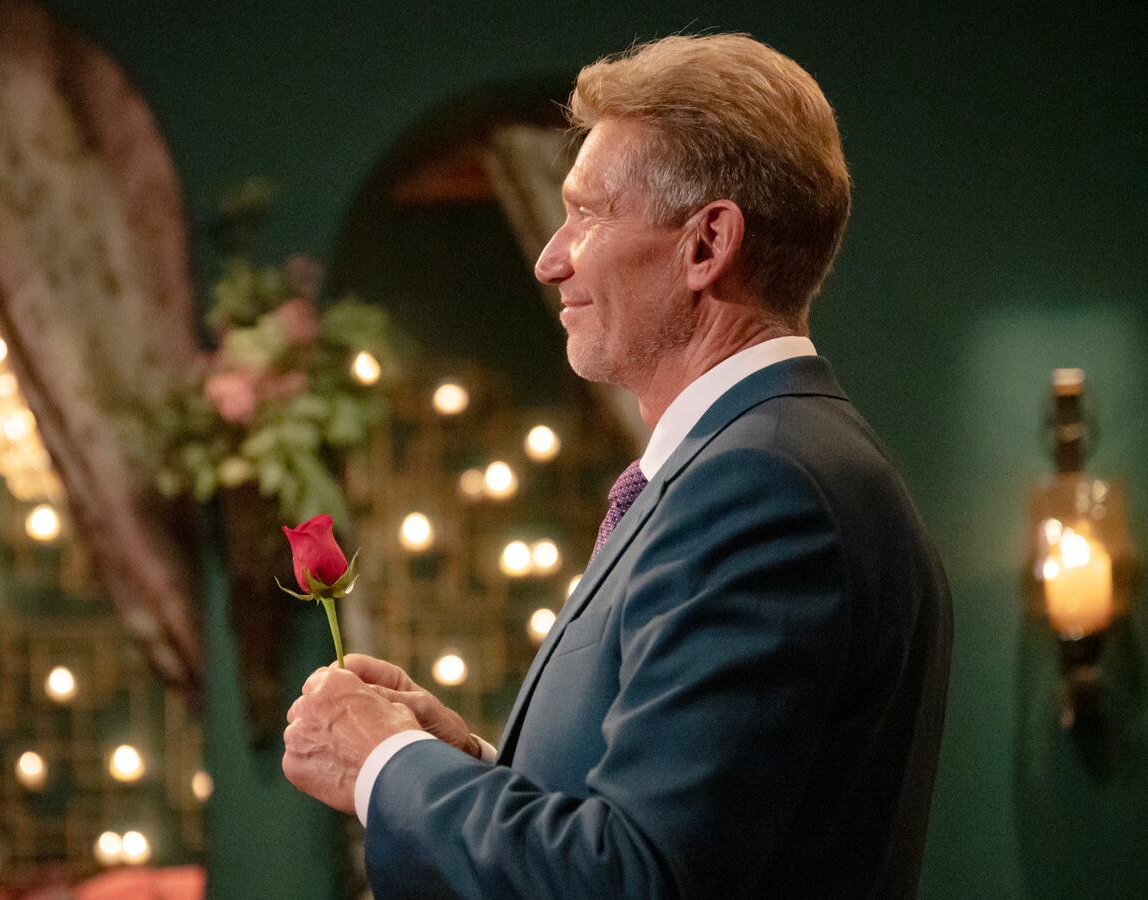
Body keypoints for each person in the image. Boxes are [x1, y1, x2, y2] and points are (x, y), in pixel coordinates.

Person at [282, 33, 953, 899]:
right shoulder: (760, 463)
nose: (550, 256)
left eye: (589, 213)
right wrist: (465, 766)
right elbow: (668, 833)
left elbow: (636, 881)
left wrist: (383, 761)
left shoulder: (762, 489)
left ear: (707, 244)